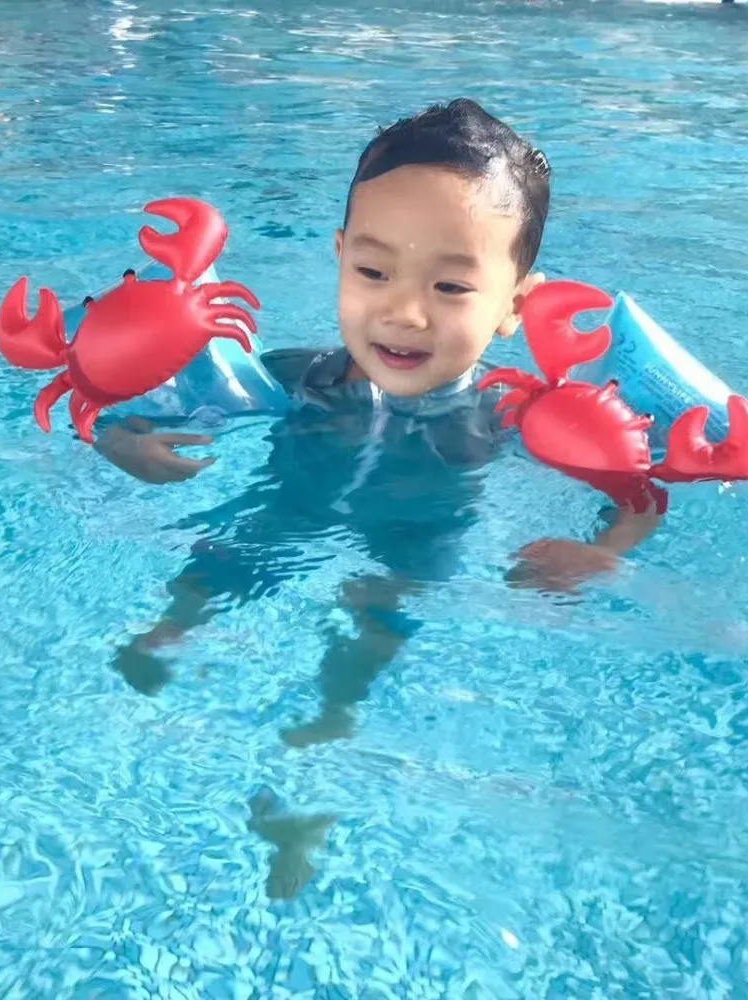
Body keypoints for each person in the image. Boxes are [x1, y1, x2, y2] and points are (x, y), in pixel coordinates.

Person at [95, 98, 662, 745]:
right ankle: (167, 636)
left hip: (418, 532)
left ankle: (334, 711)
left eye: (450, 287)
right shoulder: (295, 375)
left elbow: (637, 495)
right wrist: (124, 446)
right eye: (373, 271)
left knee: (378, 611)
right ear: (341, 258)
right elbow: (132, 414)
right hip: (293, 504)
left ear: (516, 305)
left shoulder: (507, 414)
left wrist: (600, 551)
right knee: (223, 557)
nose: (403, 313)